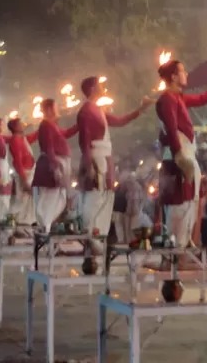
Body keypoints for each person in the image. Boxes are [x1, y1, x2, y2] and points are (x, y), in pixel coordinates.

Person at [63, 76, 151, 261]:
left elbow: (120, 121)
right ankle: (90, 234)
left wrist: (141, 109)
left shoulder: (98, 110)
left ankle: (97, 238)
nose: (104, 87)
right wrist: (88, 165)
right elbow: (84, 140)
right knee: (96, 197)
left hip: (103, 158)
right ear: (94, 88)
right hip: (97, 159)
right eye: (100, 85)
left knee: (105, 198)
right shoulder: (86, 111)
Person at [156, 58, 207, 248]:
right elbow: (172, 130)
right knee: (179, 207)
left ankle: (182, 253)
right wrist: (181, 158)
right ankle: (175, 257)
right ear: (174, 76)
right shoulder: (167, 98)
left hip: (185, 159)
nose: (186, 74)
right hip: (177, 161)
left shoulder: (178, 98)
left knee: (190, 206)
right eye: (183, 71)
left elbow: (202, 98)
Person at [31, 99, 75, 233]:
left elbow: (66, 133)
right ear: (49, 109)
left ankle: (47, 226)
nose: (59, 110)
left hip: (57, 163)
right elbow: (49, 147)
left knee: (59, 198)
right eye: (56, 107)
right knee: (50, 199)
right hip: (51, 165)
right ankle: (45, 227)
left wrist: (80, 124)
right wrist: (55, 167)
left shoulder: (52, 125)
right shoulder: (45, 125)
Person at [8, 118, 38, 227]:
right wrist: (24, 179)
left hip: (30, 172)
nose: (23, 124)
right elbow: (17, 161)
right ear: (15, 127)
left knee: (29, 201)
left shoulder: (22, 138)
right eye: (21, 124)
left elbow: (34, 137)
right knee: (22, 200)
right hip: (24, 173)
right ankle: (12, 221)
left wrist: (42, 126)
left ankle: (26, 224)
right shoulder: (15, 140)